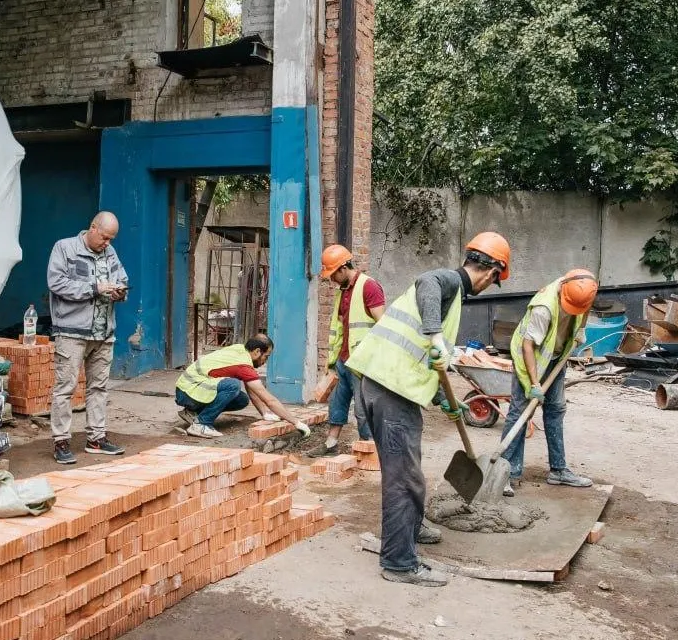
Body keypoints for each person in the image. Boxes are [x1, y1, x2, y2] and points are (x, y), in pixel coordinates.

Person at [346, 231, 512, 587]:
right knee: (404, 479)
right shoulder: (449, 281)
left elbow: (423, 359)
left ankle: (412, 527)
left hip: (385, 386)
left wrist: (444, 401)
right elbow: (427, 280)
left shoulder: (453, 298)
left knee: (406, 469)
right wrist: (436, 335)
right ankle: (399, 563)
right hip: (390, 391)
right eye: (496, 279)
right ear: (492, 271)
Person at [501, 269, 599, 497]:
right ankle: (506, 473)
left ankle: (558, 470)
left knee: (555, 410)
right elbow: (527, 346)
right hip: (531, 359)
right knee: (520, 412)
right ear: (563, 290)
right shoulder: (543, 308)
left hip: (556, 357)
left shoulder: (584, 288)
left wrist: (580, 330)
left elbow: (584, 308)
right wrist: (535, 384)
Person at [45, 211, 129, 464]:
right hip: (72, 331)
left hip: (104, 332)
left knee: (99, 387)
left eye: (111, 239)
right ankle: (61, 441)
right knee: (65, 388)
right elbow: (56, 283)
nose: (107, 243)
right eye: (104, 237)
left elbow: (122, 278)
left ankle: (96, 438)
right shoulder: (65, 248)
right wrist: (95, 288)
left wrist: (120, 291)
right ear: (92, 228)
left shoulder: (110, 253)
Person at [307, 244, 385, 457]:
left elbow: (383, 326)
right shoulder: (343, 291)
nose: (331, 279)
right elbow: (340, 327)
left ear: (343, 268)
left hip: (362, 363)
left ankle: (369, 449)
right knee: (337, 404)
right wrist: (332, 363)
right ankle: (331, 443)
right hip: (343, 361)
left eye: (333, 274)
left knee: (362, 410)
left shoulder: (369, 287)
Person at [175, 333, 312, 439]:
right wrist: (296, 422)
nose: (265, 361)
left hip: (188, 390)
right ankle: (201, 424)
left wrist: (264, 413)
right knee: (233, 386)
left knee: (242, 399)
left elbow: (251, 388)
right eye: (266, 356)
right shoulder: (244, 366)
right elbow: (270, 400)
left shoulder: (240, 349)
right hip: (188, 392)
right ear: (257, 351)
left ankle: (193, 413)